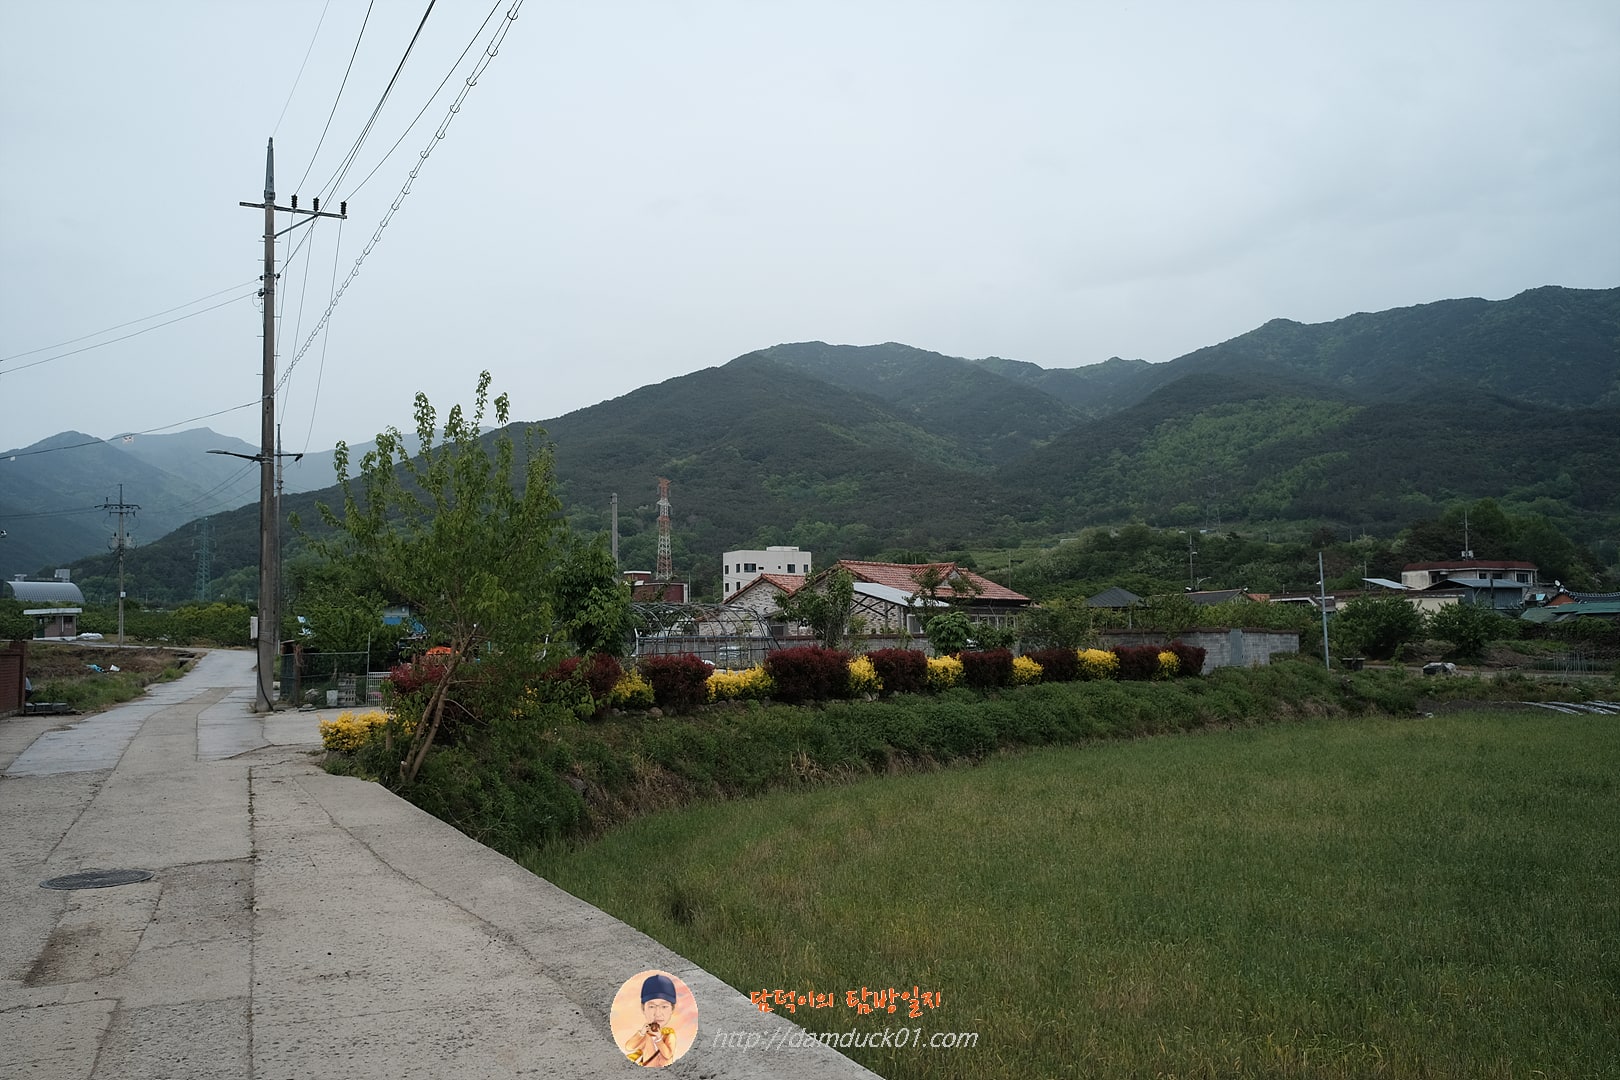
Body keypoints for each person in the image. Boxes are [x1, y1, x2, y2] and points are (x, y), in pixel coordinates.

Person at [623, 972, 678, 1067]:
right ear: (643, 1008)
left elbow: (668, 1055)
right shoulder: (647, 1034)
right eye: (652, 1007)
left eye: (664, 1007)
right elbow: (629, 1047)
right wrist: (641, 1033)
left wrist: (659, 1039)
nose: (657, 1013)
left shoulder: (669, 1035)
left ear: (672, 1009)